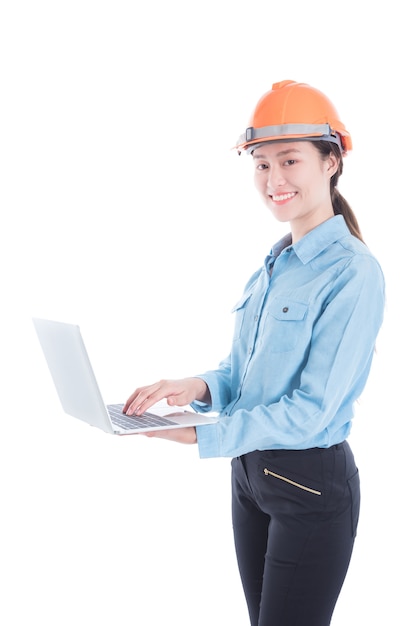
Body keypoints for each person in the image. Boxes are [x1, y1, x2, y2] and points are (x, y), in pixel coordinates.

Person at [123, 80, 385, 625]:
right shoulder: (276, 263)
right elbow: (246, 374)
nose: (274, 179)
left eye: (290, 160)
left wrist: (199, 433)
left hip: (308, 482)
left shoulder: (353, 272)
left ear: (331, 162)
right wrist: (194, 388)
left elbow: (312, 411)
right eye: (261, 164)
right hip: (250, 474)